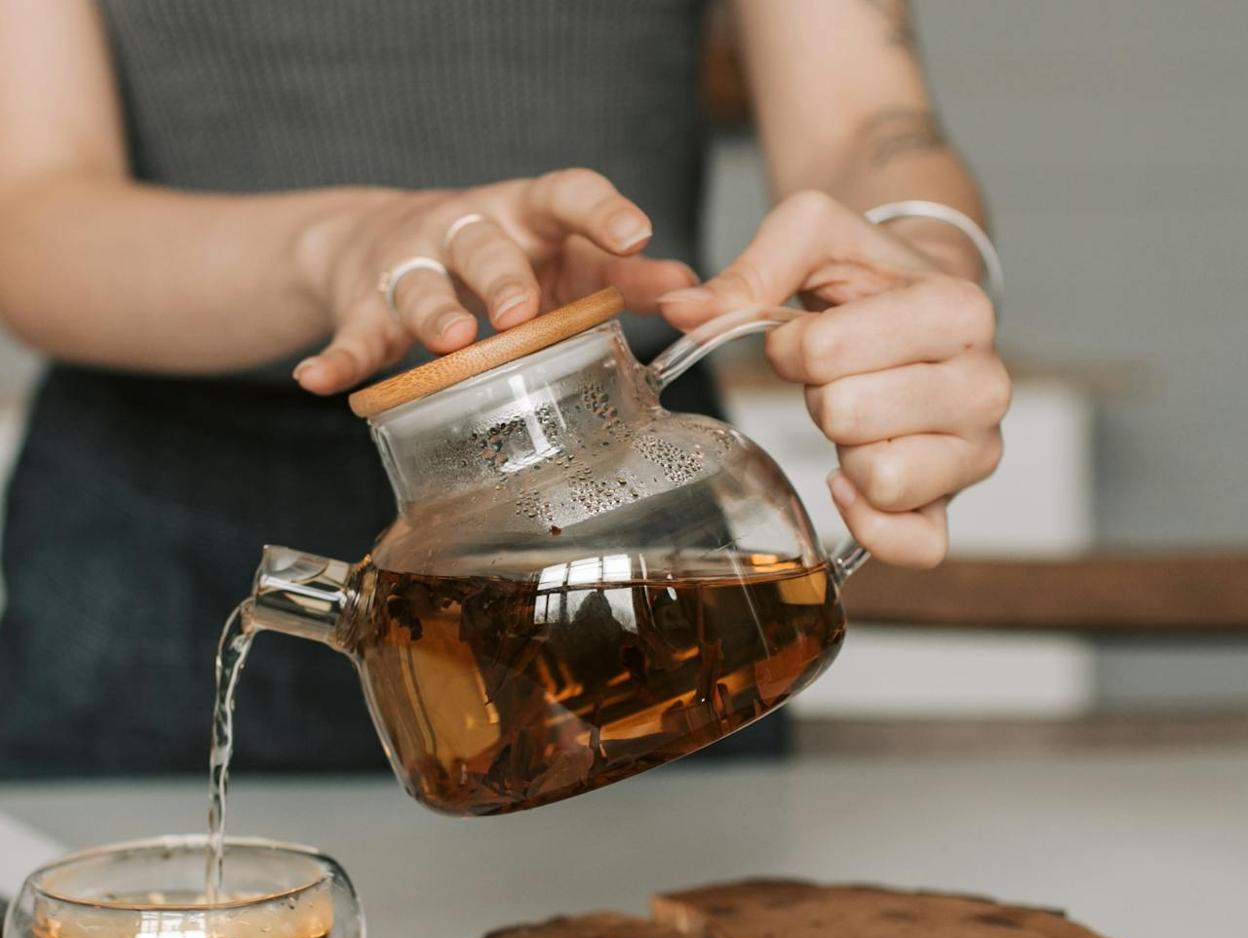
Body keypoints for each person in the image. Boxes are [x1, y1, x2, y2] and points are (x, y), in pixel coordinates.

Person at [0, 1, 1008, 779]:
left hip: (635, 545)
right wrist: (340, 250)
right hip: (145, 570)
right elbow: (30, 207)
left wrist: (923, 264)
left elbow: (866, 119)